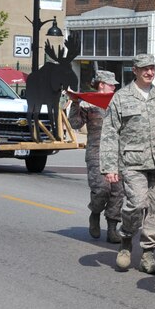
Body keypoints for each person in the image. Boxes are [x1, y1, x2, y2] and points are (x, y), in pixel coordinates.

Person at [100, 54, 155, 274]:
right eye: (144, 68)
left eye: (152, 68)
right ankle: (125, 241)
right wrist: (110, 167)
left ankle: (148, 255)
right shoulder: (121, 97)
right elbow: (110, 133)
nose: (149, 72)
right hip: (133, 162)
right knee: (136, 203)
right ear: (134, 70)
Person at [67, 70, 123, 244]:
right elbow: (75, 124)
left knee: (117, 191)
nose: (114, 87)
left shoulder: (119, 103)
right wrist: (75, 103)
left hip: (117, 153)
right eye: (111, 84)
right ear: (101, 85)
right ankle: (95, 212)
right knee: (101, 189)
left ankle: (112, 228)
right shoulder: (87, 104)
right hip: (96, 152)